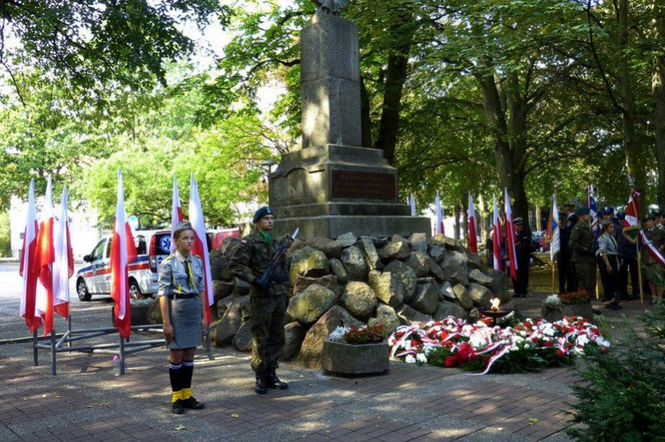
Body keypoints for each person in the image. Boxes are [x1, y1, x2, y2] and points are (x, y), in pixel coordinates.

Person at [228, 207, 292, 394]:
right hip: (262, 295)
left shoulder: (278, 242)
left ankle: (272, 373)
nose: (270, 221)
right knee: (260, 337)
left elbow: (283, 269)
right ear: (257, 222)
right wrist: (254, 280)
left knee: (277, 335)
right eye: (266, 218)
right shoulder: (249, 242)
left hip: (278, 293)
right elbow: (236, 266)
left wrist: (286, 290)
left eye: (272, 218)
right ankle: (260, 375)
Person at [158, 221, 207, 414]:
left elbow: (201, 289)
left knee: (190, 354)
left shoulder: (197, 261)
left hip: (193, 307)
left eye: (191, 238)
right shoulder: (168, 263)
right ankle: (176, 397)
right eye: (185, 238)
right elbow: (163, 294)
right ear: (176, 241)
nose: (189, 241)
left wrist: (204, 316)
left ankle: (187, 395)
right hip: (177, 308)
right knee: (177, 354)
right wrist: (166, 322)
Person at [569, 207, 596, 293]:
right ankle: (582, 303)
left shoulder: (587, 226)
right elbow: (572, 243)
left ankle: (587, 302)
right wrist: (584, 248)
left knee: (591, 282)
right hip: (581, 259)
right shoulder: (578, 227)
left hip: (589, 258)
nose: (588, 216)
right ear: (581, 216)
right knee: (584, 282)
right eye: (586, 214)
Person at [597, 220, 622, 310]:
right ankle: (609, 301)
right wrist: (608, 265)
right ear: (605, 228)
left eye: (613, 227)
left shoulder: (611, 237)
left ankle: (613, 300)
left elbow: (614, 250)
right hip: (606, 259)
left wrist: (617, 262)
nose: (612, 229)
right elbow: (603, 251)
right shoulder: (603, 237)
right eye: (610, 227)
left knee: (613, 280)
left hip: (613, 258)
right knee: (608, 281)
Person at [641, 213, 665, 304]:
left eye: (650, 221)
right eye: (646, 221)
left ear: (654, 221)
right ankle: (653, 296)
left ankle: (660, 297)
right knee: (650, 279)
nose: (648, 223)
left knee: (659, 278)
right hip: (647, 259)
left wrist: (663, 246)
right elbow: (641, 246)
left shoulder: (660, 230)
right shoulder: (643, 233)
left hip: (658, 259)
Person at [616, 213, 639, 301]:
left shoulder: (632, 229)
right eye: (620, 219)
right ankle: (623, 293)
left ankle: (635, 292)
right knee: (622, 275)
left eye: (623, 219)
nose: (622, 221)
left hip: (632, 254)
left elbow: (638, 241)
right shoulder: (618, 229)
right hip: (622, 255)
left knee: (634, 274)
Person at [558, 206, 577, 294]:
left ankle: (570, 289)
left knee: (569, 272)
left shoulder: (570, 223)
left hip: (567, 252)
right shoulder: (559, 229)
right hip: (561, 252)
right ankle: (563, 289)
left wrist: (559, 229)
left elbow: (566, 236)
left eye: (562, 218)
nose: (561, 220)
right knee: (562, 272)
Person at [511, 217, 531, 298]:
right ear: (513, 226)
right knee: (515, 274)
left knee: (524, 275)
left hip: (523, 258)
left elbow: (529, 246)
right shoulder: (511, 235)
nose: (519, 226)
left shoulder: (525, 234)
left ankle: (523, 291)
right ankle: (517, 291)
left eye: (520, 225)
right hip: (514, 258)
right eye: (517, 225)